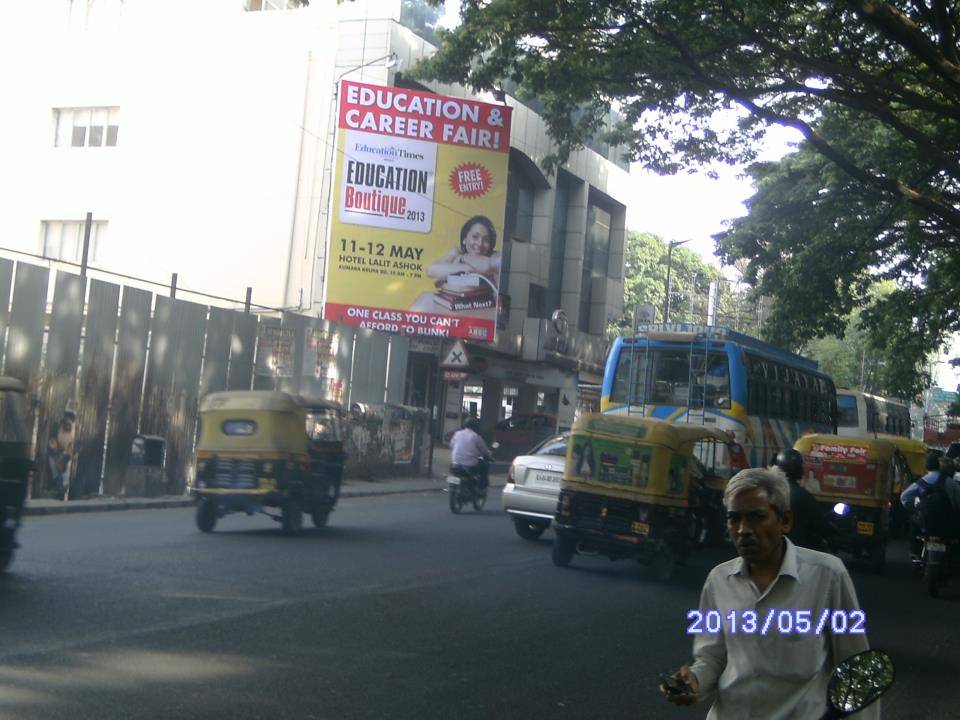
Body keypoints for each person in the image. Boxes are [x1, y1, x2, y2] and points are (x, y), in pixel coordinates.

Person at [661, 467, 875, 719]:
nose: (743, 530)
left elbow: (856, 670)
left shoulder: (828, 576)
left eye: (756, 517)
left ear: (785, 521)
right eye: (734, 518)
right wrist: (695, 680)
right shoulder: (719, 580)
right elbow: (712, 657)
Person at [901, 453, 960, 559]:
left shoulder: (921, 482)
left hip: (926, 522)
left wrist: (915, 510)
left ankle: (914, 553)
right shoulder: (950, 483)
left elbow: (904, 497)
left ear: (926, 466)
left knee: (913, 524)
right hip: (946, 523)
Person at [774, 448, 832, 550]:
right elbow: (820, 526)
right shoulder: (804, 496)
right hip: (797, 550)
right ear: (798, 469)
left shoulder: (768, 491)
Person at [426, 215, 501, 286]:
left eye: (486, 240)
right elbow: (431, 271)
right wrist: (466, 267)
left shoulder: (496, 256)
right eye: (475, 237)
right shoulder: (457, 252)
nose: (480, 243)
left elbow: (487, 266)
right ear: (464, 239)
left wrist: (464, 258)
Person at [448, 416, 492, 490]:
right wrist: (488, 456)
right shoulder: (475, 436)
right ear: (475, 426)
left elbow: (451, 445)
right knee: (485, 465)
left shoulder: (457, 433)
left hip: (455, 463)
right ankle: (482, 486)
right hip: (469, 465)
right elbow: (484, 450)